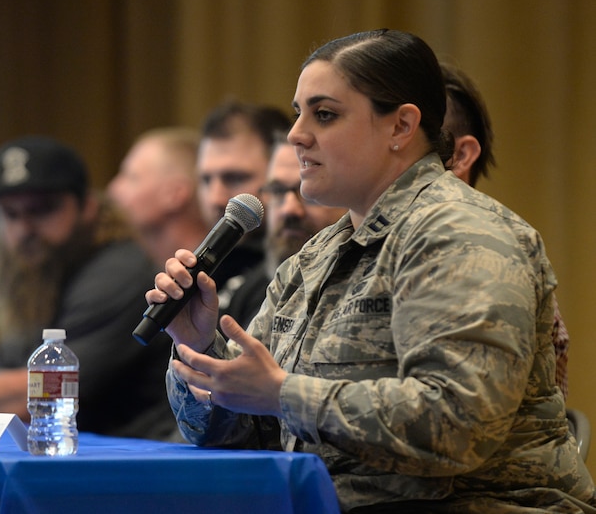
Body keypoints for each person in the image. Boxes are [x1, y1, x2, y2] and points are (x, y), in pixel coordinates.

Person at [148, 30, 596, 511]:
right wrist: (198, 346)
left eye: (324, 114)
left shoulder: (459, 233)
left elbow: (459, 426)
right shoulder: (314, 256)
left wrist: (283, 394)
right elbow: (230, 436)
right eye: (298, 113)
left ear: (401, 127)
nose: (297, 134)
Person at [0, 135, 176, 440]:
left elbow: (41, 391)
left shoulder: (118, 271)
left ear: (87, 206)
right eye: (10, 214)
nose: (25, 229)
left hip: (137, 461)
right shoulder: (41, 276)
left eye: (42, 209)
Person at [441, 62, 570, 399]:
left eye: (406, 134)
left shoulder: (490, 251)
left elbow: (463, 414)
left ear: (460, 155)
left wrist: (290, 392)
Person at [222, 132, 347, 328]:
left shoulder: (367, 285)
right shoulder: (247, 292)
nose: (289, 209)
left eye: (308, 190)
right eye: (278, 191)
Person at [195, 101, 291, 296]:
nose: (216, 199)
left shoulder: (294, 272)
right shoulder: (207, 268)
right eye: (206, 180)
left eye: (236, 178)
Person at [107, 127, 210, 268]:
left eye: (132, 177)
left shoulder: (219, 277)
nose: (113, 188)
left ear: (175, 194)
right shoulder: (135, 266)